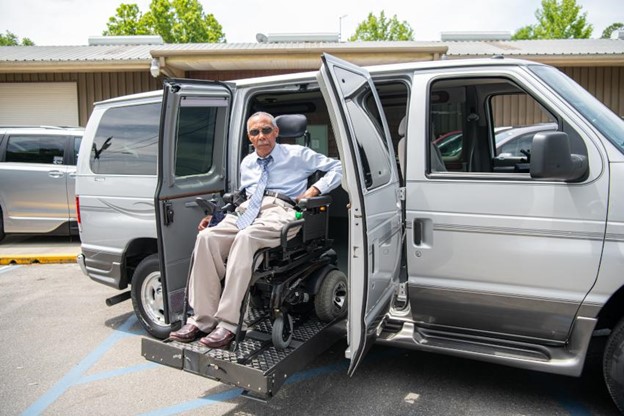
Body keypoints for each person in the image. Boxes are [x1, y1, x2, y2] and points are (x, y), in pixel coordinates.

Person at [169, 111, 343, 348]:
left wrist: (315, 190)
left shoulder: (297, 154)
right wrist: (216, 216)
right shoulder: (247, 162)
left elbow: (339, 167)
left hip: (281, 210)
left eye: (266, 130)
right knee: (206, 238)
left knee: (245, 238)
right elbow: (241, 196)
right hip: (247, 211)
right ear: (249, 137)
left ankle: (228, 325)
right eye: (255, 132)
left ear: (276, 132)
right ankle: (202, 320)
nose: (261, 136)